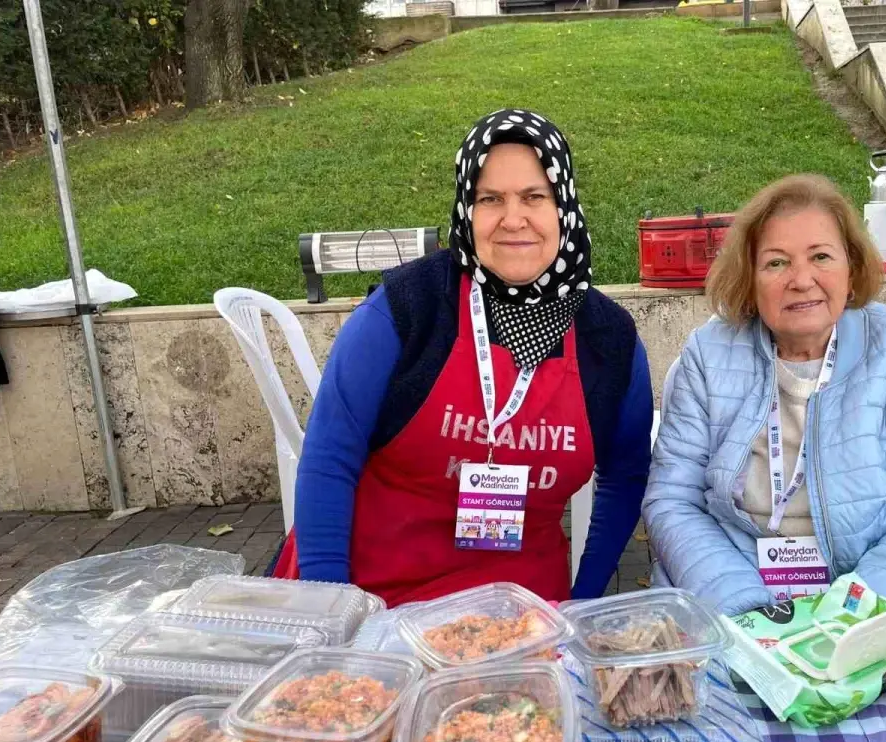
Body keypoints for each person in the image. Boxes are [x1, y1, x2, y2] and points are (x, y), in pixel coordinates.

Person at [273, 109, 654, 607]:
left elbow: (625, 477)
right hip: (371, 598)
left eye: (534, 197)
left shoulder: (609, 339)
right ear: (465, 210)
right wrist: (332, 608)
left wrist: (584, 603)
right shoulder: (406, 311)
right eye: (490, 198)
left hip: (522, 613)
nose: (512, 218)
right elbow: (328, 460)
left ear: (564, 206)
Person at [643, 174, 886, 634]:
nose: (802, 280)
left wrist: (855, 615)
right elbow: (672, 500)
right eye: (776, 263)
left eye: (821, 256)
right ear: (749, 278)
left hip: (879, 583)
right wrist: (746, 609)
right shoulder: (708, 354)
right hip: (739, 577)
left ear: (852, 268)